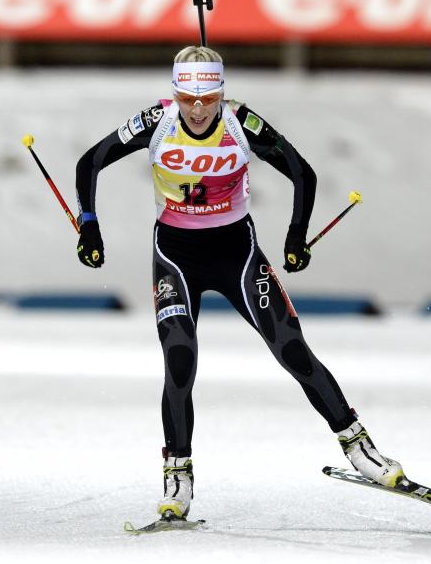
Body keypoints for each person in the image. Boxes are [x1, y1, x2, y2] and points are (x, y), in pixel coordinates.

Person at [74, 46, 402, 521]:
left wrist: (296, 237)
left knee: (291, 349)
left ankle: (360, 448)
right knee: (180, 357)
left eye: (208, 97)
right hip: (175, 257)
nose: (199, 109)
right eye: (188, 98)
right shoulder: (156, 122)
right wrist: (89, 225)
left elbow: (301, 172)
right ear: (175, 94)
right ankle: (178, 475)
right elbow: (90, 162)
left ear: (222, 94)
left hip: (237, 255)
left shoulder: (241, 124)